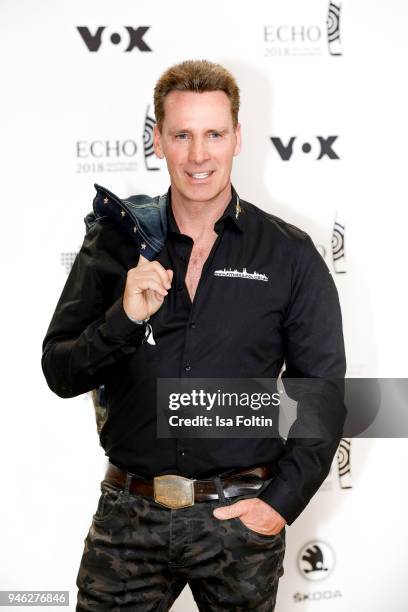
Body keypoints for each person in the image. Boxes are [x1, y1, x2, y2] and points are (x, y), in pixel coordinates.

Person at [41, 59, 346, 611]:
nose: (199, 155)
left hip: (239, 524)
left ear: (238, 138)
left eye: (214, 134)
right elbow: (60, 372)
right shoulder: (115, 243)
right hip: (127, 520)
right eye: (182, 135)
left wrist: (278, 503)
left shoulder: (290, 254)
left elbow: (319, 394)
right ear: (157, 139)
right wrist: (125, 319)